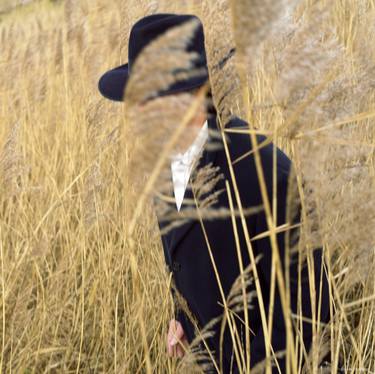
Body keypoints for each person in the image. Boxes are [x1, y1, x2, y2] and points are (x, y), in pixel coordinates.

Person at [98, 13, 331, 373]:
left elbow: (310, 311)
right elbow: (190, 261)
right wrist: (185, 321)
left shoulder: (265, 174)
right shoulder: (163, 164)